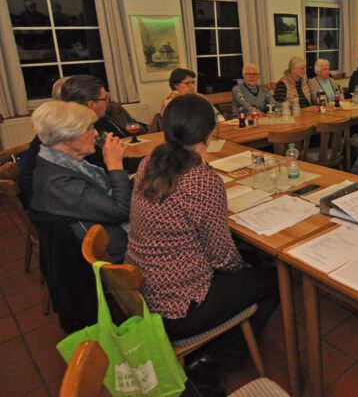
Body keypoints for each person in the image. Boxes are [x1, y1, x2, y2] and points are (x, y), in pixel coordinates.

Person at [126, 94, 278, 344]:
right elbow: (223, 257)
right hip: (180, 306)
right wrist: (244, 270)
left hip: (142, 289)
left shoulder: (148, 163)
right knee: (274, 279)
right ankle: (224, 353)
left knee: (250, 261)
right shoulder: (202, 181)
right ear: (209, 133)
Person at [17, 75, 141, 207]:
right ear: (91, 104)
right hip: (54, 206)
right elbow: (119, 208)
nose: (95, 133)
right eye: (105, 98)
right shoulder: (75, 137)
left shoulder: (72, 129)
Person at [29, 101, 130, 261]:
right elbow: (120, 211)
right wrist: (115, 165)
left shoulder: (66, 162)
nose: (96, 133)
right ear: (66, 136)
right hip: (116, 253)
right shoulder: (59, 182)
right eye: (89, 128)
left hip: (110, 235)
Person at [160, 68, 225, 121]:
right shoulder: (171, 101)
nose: (192, 86)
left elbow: (216, 114)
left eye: (193, 83)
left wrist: (222, 123)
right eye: (187, 83)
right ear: (176, 85)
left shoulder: (199, 97)